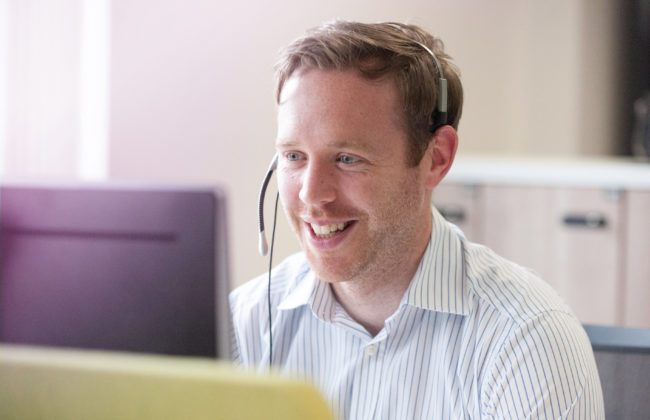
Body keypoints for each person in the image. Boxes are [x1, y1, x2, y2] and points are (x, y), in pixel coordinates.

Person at [230, 20, 604, 419]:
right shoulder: (244, 325)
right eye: (293, 156)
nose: (311, 193)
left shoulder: (527, 340)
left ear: (436, 158)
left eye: (347, 159)